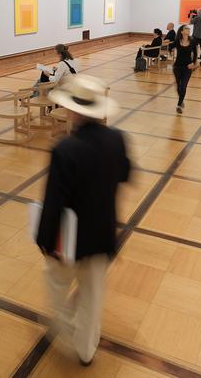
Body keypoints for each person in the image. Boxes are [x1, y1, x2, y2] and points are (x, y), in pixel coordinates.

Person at [37, 75, 130, 367]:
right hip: (101, 235)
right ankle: (86, 350)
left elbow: (54, 202)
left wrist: (44, 240)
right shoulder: (117, 139)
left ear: (73, 111)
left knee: (56, 285)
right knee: (92, 296)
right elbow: (125, 174)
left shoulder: (64, 149)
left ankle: (66, 328)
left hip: (68, 239)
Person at [173, 24, 198, 114]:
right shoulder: (177, 41)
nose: (188, 29)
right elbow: (170, 47)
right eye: (186, 28)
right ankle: (181, 99)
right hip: (177, 67)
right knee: (179, 87)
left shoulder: (192, 41)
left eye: (188, 28)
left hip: (188, 67)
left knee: (183, 86)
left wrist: (193, 63)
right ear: (182, 31)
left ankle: (179, 105)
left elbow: (195, 53)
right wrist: (170, 51)